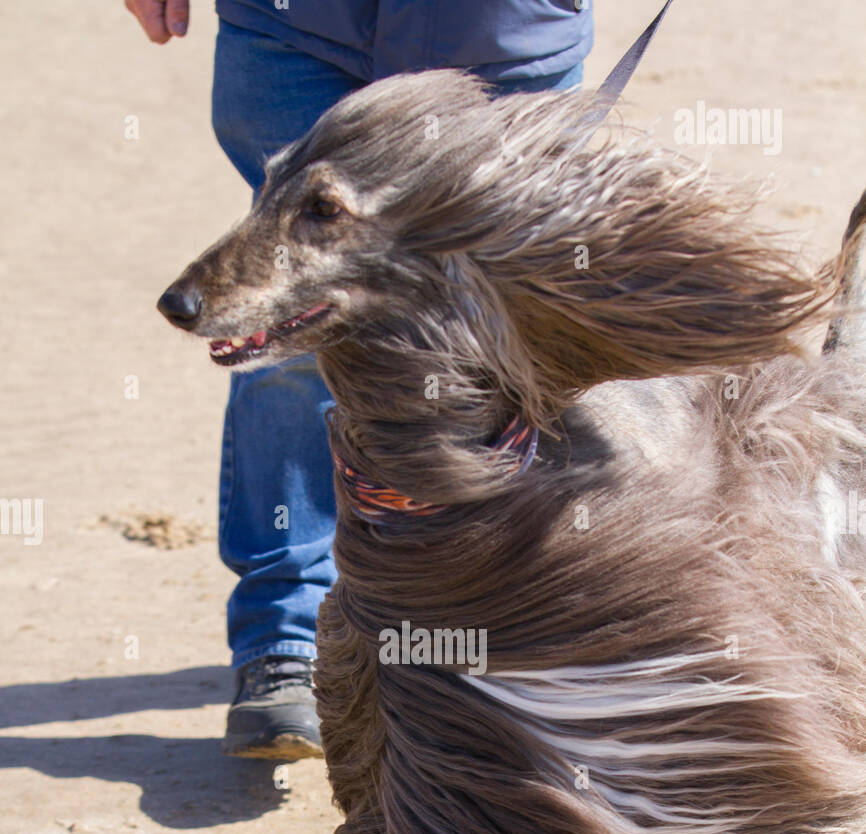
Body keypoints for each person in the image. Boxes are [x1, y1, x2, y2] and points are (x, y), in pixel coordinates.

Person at [126, 0, 593, 759]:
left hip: (499, 36)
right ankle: (286, 642)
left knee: (500, 330)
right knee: (299, 321)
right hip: (296, 25)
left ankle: (494, 643)